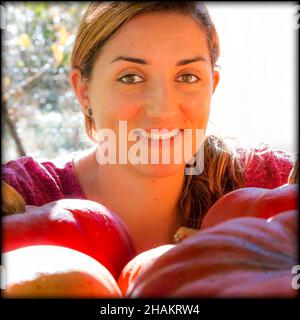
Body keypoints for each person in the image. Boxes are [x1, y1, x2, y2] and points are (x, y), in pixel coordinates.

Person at [2, 2, 294, 253]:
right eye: (131, 77)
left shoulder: (269, 184)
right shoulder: (23, 197)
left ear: (212, 86)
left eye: (188, 77)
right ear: (84, 91)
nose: (162, 109)